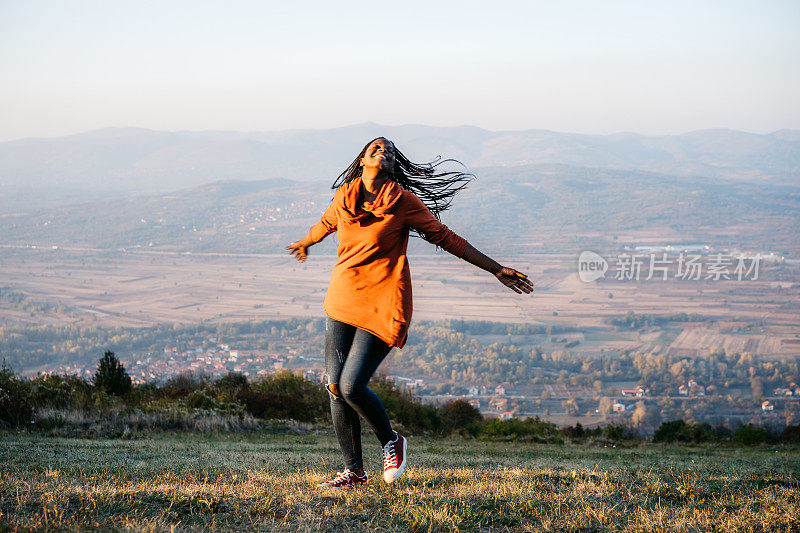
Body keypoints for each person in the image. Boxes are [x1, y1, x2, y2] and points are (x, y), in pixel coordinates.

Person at [286, 137, 534, 488]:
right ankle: (354, 472)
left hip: (384, 303)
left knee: (352, 386)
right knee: (334, 386)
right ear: (361, 160)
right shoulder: (344, 198)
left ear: (392, 165)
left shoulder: (403, 202)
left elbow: (447, 238)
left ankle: (391, 441)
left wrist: (495, 268)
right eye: (375, 148)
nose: (382, 152)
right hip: (342, 300)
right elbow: (324, 225)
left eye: (388, 151)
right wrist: (305, 243)